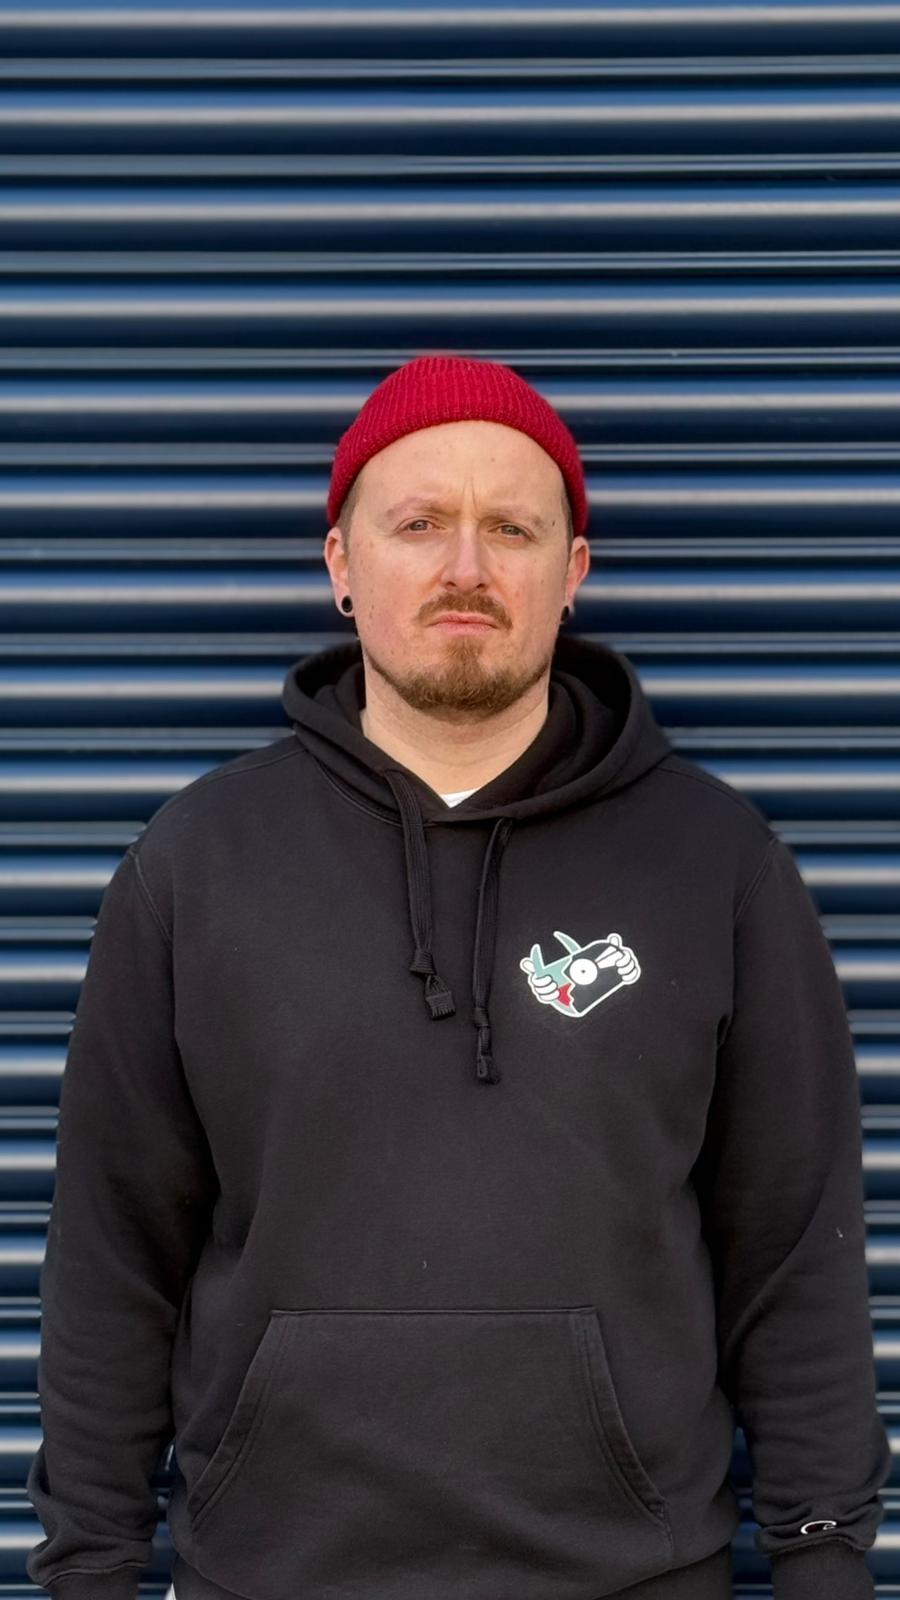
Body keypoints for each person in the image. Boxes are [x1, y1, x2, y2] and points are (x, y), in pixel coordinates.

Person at [25, 354, 890, 1600]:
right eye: (419, 523)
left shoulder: (716, 866)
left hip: (632, 1579)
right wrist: (92, 1568)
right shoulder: (195, 866)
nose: (466, 567)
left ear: (573, 570)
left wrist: (824, 1559)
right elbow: (112, 1260)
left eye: (512, 528)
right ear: (340, 562)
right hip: (274, 1578)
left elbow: (796, 1254)